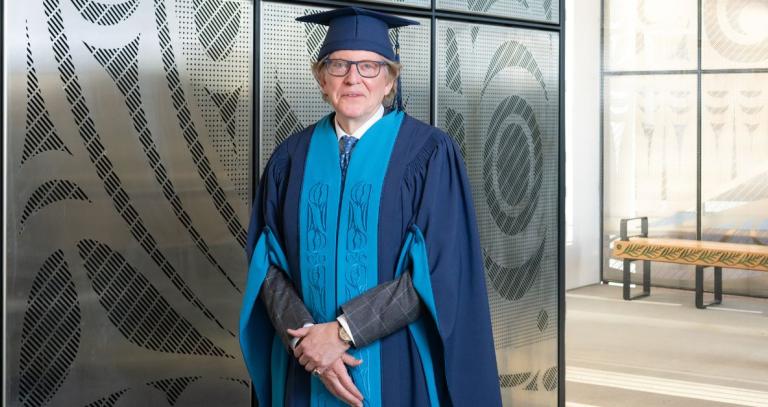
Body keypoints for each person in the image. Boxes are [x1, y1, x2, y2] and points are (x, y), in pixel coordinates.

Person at [240, 7, 501, 407]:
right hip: (304, 364)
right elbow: (267, 265)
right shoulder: (289, 159)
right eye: (339, 65)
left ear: (389, 81)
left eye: (369, 67)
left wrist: (342, 333)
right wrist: (309, 340)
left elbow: (438, 272)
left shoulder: (428, 155)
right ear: (322, 79)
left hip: (394, 364)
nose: (353, 78)